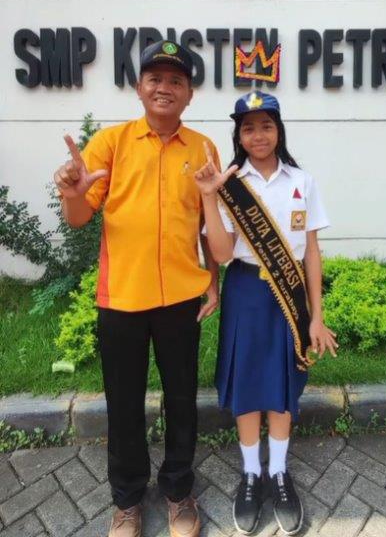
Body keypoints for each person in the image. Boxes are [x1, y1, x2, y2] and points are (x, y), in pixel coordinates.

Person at [53, 40, 220, 537]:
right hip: (122, 298)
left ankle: (178, 490)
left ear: (189, 94)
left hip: (181, 300)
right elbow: (79, 217)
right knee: (124, 403)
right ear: (139, 87)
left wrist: (214, 281)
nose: (164, 87)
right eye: (155, 78)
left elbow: (207, 223)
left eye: (176, 80)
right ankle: (126, 500)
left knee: (182, 398)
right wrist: (72, 193)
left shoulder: (203, 148)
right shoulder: (111, 143)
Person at [194, 90, 338, 536]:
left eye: (266, 126)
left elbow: (310, 252)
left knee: (282, 381)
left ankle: (278, 471)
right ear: (238, 135)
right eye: (249, 128)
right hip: (245, 291)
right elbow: (220, 253)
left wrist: (317, 315)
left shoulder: (302, 181)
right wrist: (209, 197)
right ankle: (251, 474)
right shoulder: (231, 184)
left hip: (288, 295)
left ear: (279, 130)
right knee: (247, 382)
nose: (258, 135)